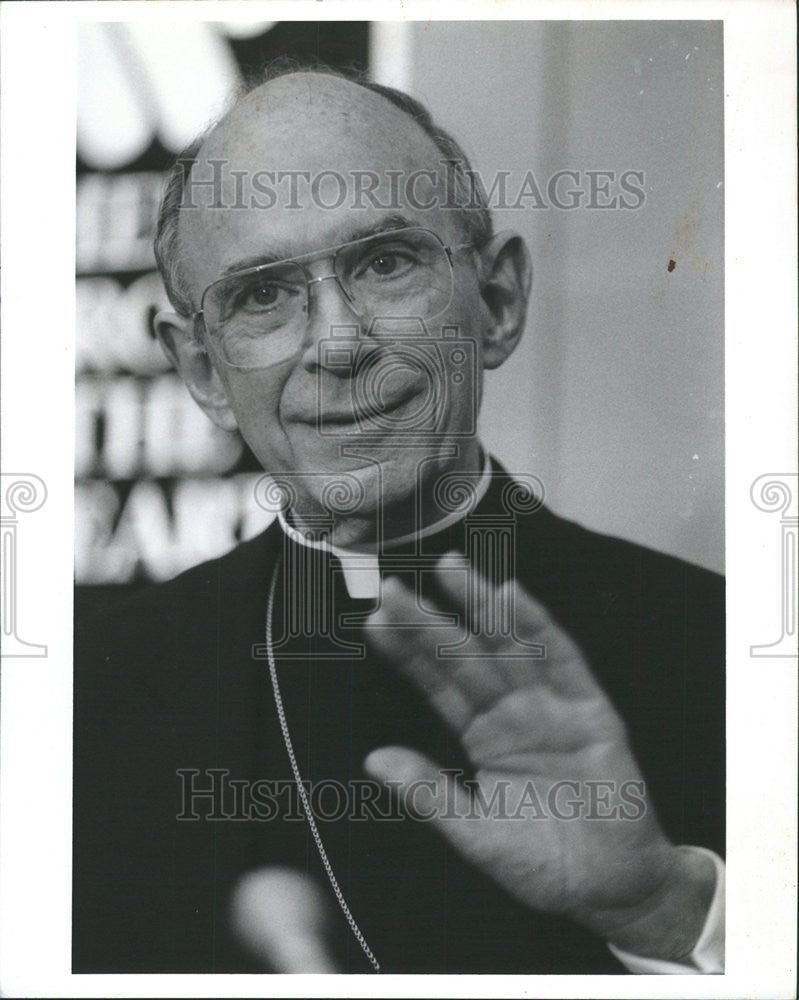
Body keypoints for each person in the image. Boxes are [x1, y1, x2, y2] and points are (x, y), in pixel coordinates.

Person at [73, 62, 724, 975]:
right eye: (262, 294)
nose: (337, 343)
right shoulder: (78, 704)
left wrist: (662, 908)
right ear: (206, 375)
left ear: (495, 304)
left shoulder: (721, 648)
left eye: (385, 263)